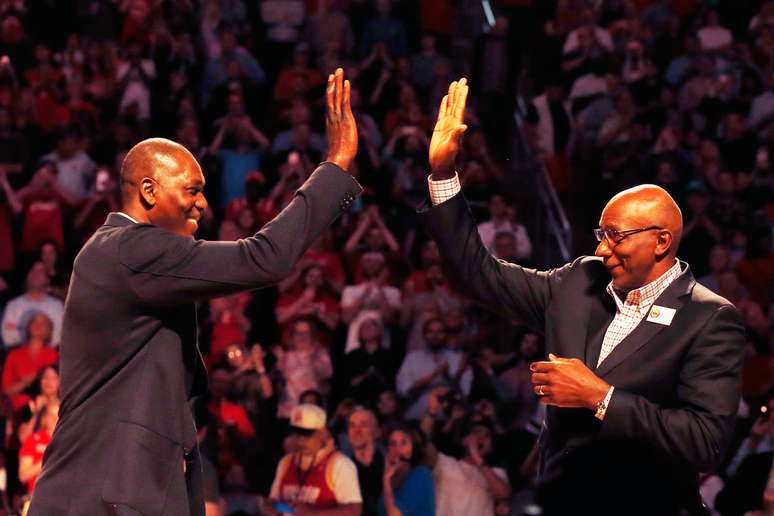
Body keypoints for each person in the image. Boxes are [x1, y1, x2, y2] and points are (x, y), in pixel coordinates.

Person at [28, 68, 361, 516]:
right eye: (192, 190)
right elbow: (261, 257)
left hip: (118, 491)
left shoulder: (125, 257)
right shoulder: (131, 249)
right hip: (106, 495)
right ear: (149, 190)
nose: (204, 204)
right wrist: (336, 166)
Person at [418, 78, 746, 515]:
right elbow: (479, 276)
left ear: (662, 241)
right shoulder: (578, 282)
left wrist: (600, 397)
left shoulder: (709, 318)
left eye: (615, 237)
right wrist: (443, 175)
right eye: (600, 234)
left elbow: (704, 442)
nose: (600, 249)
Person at [268, 403, 362, 516]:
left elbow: (354, 511)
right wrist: (270, 508)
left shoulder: (340, 464)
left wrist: (313, 514)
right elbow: (273, 501)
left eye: (307, 435)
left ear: (322, 433)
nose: (300, 441)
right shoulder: (286, 462)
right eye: (297, 434)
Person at [379, 425, 435, 516]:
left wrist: (386, 480)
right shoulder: (392, 477)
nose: (398, 449)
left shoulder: (420, 474)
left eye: (404, 443)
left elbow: (394, 514)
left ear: (414, 448)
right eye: (393, 444)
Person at [346, 407, 384, 516]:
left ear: (377, 431)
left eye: (363, 425)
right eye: (352, 426)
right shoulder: (342, 468)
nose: (356, 431)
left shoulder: (390, 465)